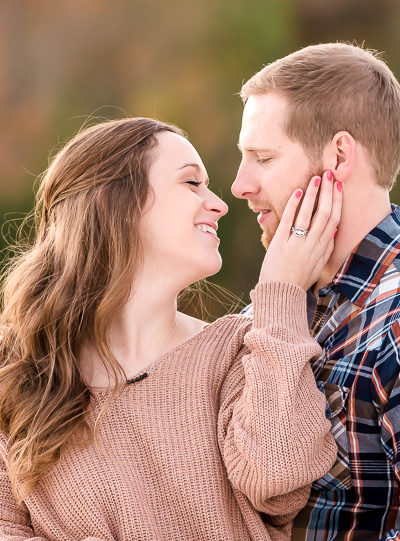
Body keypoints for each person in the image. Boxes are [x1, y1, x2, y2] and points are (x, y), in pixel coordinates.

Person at [0, 117, 339, 540]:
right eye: (191, 183)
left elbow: (279, 479)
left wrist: (281, 293)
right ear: (114, 203)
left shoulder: (240, 351)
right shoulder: (15, 373)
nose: (218, 203)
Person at [232, 42, 400, 540]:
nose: (240, 184)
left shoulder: (392, 320)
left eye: (262, 157)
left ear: (339, 155)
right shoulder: (283, 304)